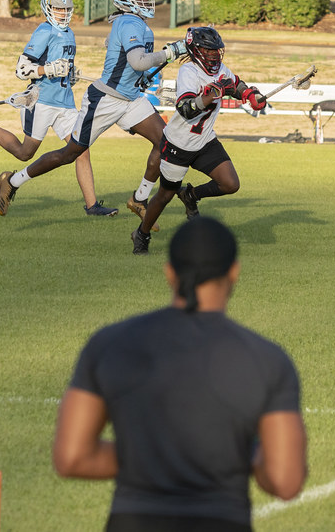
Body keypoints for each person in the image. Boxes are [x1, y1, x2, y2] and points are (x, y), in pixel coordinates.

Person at [53, 217, 308, 531]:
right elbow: (285, 480)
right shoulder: (267, 359)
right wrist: (243, 455)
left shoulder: (108, 343)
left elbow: (72, 457)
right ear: (234, 272)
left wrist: (148, 455)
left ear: (170, 273)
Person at [0, 0, 186, 221]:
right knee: (67, 153)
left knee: (166, 142)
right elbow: (137, 61)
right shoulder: (126, 22)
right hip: (104, 100)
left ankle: (138, 199)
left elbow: (132, 66)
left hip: (126, 99)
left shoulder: (140, 27)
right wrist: (171, 51)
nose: (147, 2)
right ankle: (13, 180)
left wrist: (145, 78)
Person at [0, 0, 117, 216]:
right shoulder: (44, 30)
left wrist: (69, 75)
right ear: (48, 8)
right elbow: (21, 68)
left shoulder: (70, 33)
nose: (63, 13)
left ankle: (92, 206)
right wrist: (48, 69)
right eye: (58, 9)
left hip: (65, 102)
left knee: (81, 150)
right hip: (41, 100)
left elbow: (63, 66)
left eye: (66, 9)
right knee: (25, 153)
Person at [130, 26, 267, 255]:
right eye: (208, 50)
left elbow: (235, 84)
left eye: (216, 50)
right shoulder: (189, 71)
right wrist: (212, 93)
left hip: (204, 141)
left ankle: (190, 195)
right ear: (196, 50)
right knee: (165, 195)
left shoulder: (220, 69)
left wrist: (250, 94)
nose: (214, 55)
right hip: (179, 143)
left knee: (230, 184)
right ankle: (141, 234)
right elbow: (186, 109)